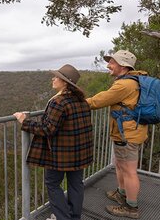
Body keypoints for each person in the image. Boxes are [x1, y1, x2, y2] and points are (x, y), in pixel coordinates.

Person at [13, 64, 93, 220]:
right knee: (76, 184)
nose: (53, 78)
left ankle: (63, 217)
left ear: (65, 82)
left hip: (61, 154)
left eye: (57, 77)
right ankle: (74, 216)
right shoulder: (82, 101)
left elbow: (47, 129)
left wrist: (24, 121)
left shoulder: (59, 102)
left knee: (52, 184)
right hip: (80, 152)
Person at [85, 50, 149, 219]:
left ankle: (131, 207)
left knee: (129, 171)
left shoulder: (124, 84)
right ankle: (122, 193)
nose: (108, 65)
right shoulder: (131, 81)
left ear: (122, 65)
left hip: (127, 134)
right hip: (128, 131)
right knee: (121, 165)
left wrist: (79, 103)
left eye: (112, 62)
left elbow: (101, 100)